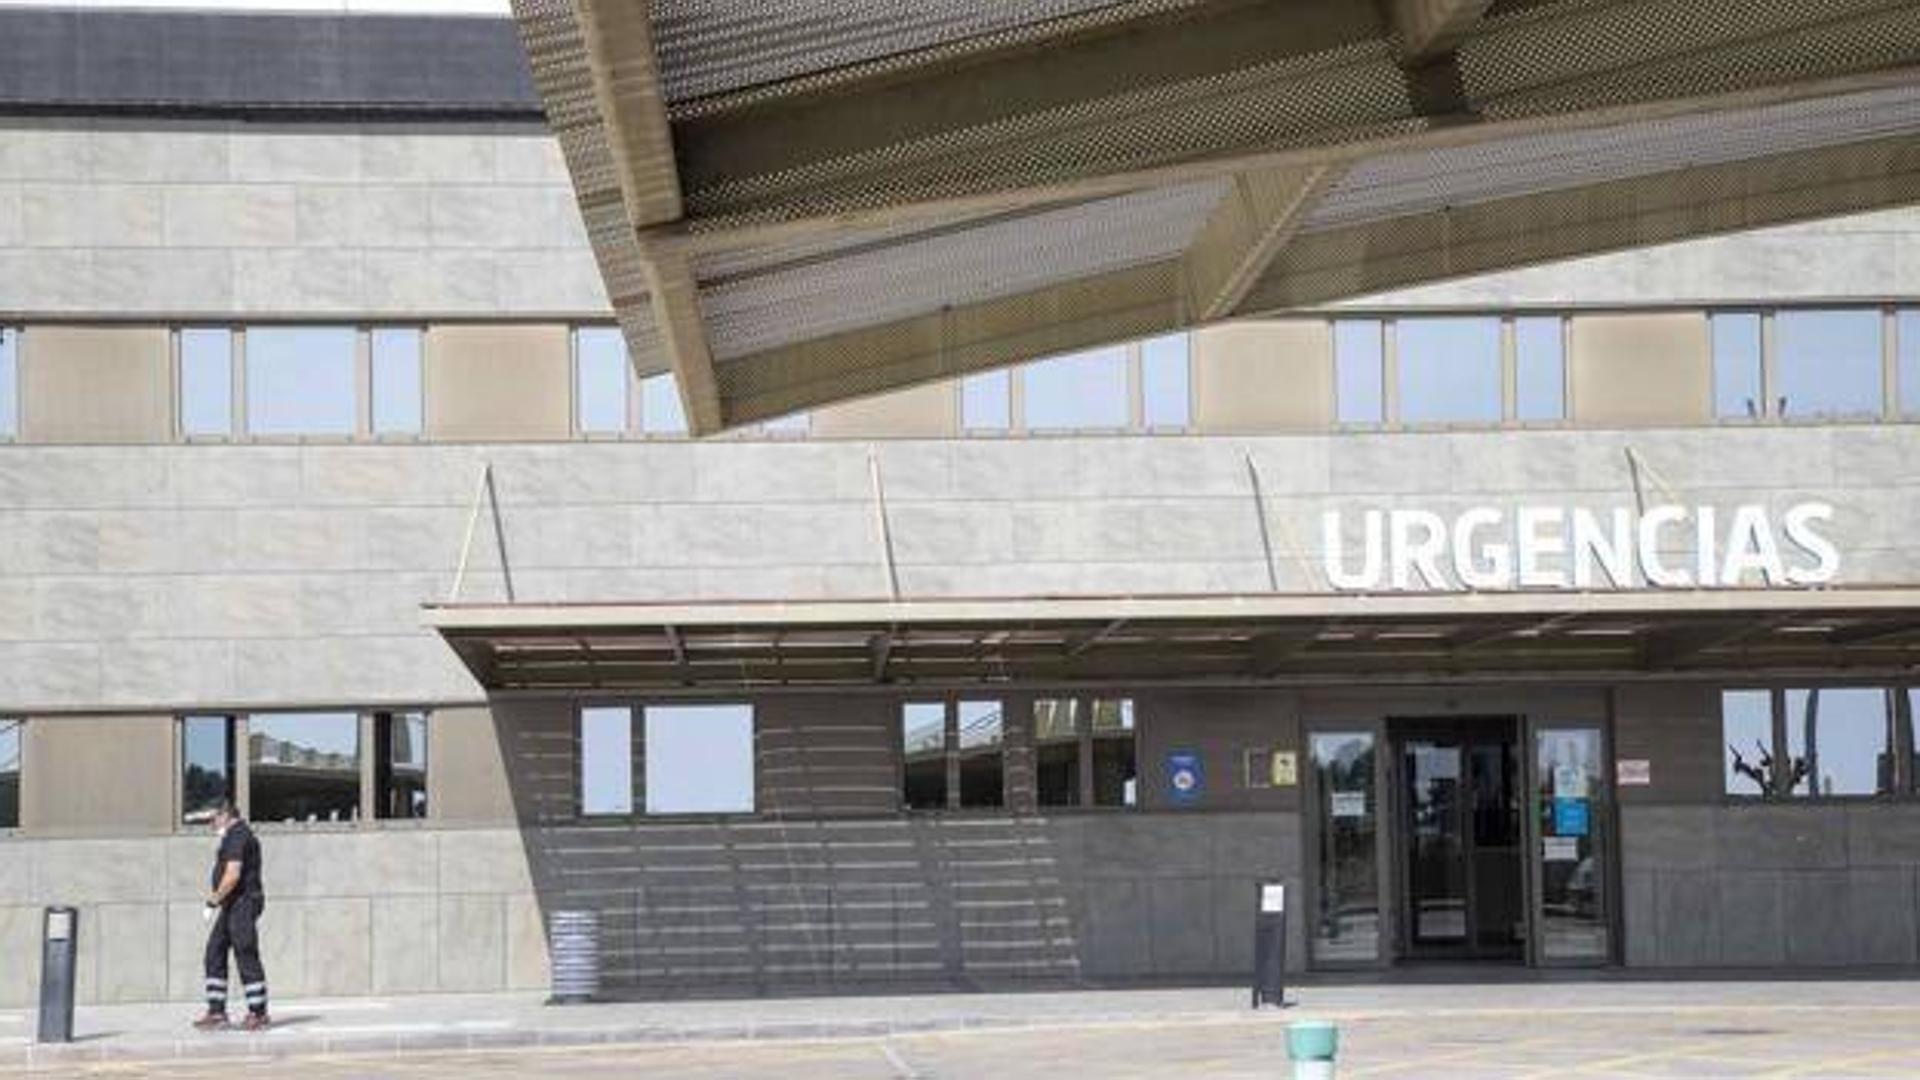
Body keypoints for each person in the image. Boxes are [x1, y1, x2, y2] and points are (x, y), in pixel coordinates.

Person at [192, 799, 270, 1031]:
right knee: (214, 951)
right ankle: (217, 1013)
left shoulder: (238, 835)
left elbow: (233, 874)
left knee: (245, 952)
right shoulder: (231, 836)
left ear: (225, 814)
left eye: (213, 819)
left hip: (243, 902)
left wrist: (212, 900)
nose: (210, 824)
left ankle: (258, 1013)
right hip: (232, 904)